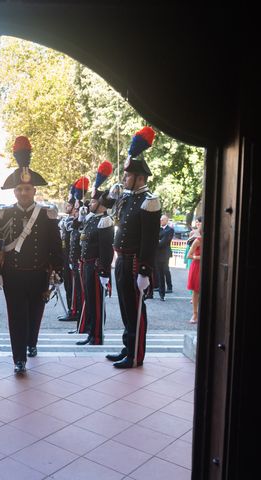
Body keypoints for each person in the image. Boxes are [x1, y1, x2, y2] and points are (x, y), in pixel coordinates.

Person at [0, 136, 63, 374]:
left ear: (34, 190)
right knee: (16, 317)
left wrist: (58, 271)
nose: (23, 192)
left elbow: (56, 245)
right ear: (15, 192)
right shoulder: (4, 214)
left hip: (39, 274)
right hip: (13, 274)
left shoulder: (47, 214)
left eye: (27, 189)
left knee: (35, 314)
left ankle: (31, 342)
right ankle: (18, 358)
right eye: (19, 189)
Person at [106, 126, 161, 369]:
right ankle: (128, 346)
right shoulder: (129, 198)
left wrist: (145, 270)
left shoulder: (149, 202)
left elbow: (150, 239)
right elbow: (109, 208)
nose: (124, 179)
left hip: (136, 261)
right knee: (126, 307)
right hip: (122, 260)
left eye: (128, 176)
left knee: (136, 309)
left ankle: (136, 355)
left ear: (140, 177)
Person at [77, 160, 115, 346]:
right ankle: (91, 333)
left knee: (97, 303)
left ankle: (97, 336)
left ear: (100, 203)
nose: (89, 203)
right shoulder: (92, 219)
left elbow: (106, 249)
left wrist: (104, 272)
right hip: (87, 264)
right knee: (90, 302)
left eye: (92, 201)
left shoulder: (105, 221)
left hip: (96, 266)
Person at [154, 214, 175, 300]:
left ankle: (169, 287)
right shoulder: (158, 229)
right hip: (157, 254)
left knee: (165, 270)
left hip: (165, 254)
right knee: (159, 272)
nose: (161, 221)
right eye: (160, 220)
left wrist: (158, 241)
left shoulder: (170, 230)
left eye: (162, 220)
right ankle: (160, 290)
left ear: (167, 220)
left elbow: (164, 241)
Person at [187, 221, 202, 323]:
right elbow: (189, 255)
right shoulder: (197, 241)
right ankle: (195, 314)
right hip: (197, 266)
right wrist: (199, 257)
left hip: (205, 267)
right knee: (196, 291)